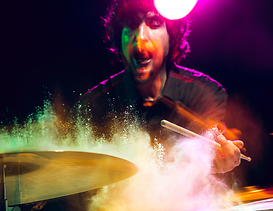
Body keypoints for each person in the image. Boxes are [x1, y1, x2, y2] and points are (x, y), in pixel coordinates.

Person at [79, 0, 244, 173]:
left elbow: (212, 156)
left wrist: (218, 162)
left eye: (154, 24)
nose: (140, 38)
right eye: (131, 25)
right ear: (120, 37)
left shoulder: (206, 94)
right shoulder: (92, 106)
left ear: (170, 37)